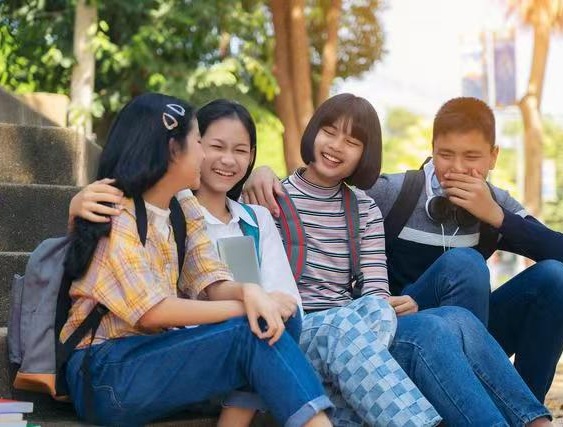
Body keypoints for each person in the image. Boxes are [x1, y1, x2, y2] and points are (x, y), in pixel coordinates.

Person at [241, 94, 553, 426]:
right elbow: (241, 285)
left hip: (362, 329)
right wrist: (254, 173)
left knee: (453, 318)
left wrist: (401, 305)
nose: (336, 146)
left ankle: (535, 422)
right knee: (433, 323)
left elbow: (375, 294)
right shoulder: (263, 199)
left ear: (365, 153)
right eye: (329, 132)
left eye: (352, 142)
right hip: (300, 332)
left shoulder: (364, 208)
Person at [61, 93, 333, 427]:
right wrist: (247, 306)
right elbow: (153, 312)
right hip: (103, 374)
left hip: (152, 356)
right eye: (199, 143)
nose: (204, 155)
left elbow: (210, 280)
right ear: (172, 150)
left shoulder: (183, 206)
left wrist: (250, 293)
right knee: (253, 325)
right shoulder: (117, 214)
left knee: (281, 317)